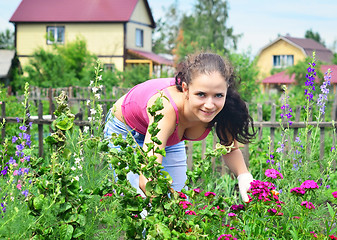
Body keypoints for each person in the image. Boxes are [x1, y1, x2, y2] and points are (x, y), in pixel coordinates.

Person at [104, 52, 256, 202]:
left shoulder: (224, 108)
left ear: (226, 90)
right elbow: (148, 178)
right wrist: (162, 211)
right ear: (185, 89)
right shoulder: (165, 109)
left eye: (218, 95)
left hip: (168, 137)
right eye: (201, 94)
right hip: (126, 132)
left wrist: (243, 175)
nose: (210, 105)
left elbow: (229, 148)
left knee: (179, 200)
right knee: (139, 203)